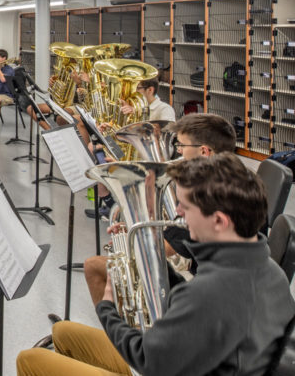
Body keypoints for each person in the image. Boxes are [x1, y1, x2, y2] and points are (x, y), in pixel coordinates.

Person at [17, 153, 295, 376]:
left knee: (30, 360)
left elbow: (147, 359)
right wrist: (155, 264)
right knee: (64, 331)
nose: (177, 212)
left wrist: (107, 308)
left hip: (160, 363)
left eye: (186, 206)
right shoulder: (268, 268)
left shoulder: (209, 292)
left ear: (220, 221)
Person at [82, 113, 235, 307]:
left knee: (94, 266)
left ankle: (120, 334)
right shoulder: (236, 181)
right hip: (215, 283)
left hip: (202, 295)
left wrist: (132, 232)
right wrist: (137, 226)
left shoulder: (206, 197)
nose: (178, 152)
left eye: (181, 147)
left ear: (204, 151)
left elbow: (158, 250)